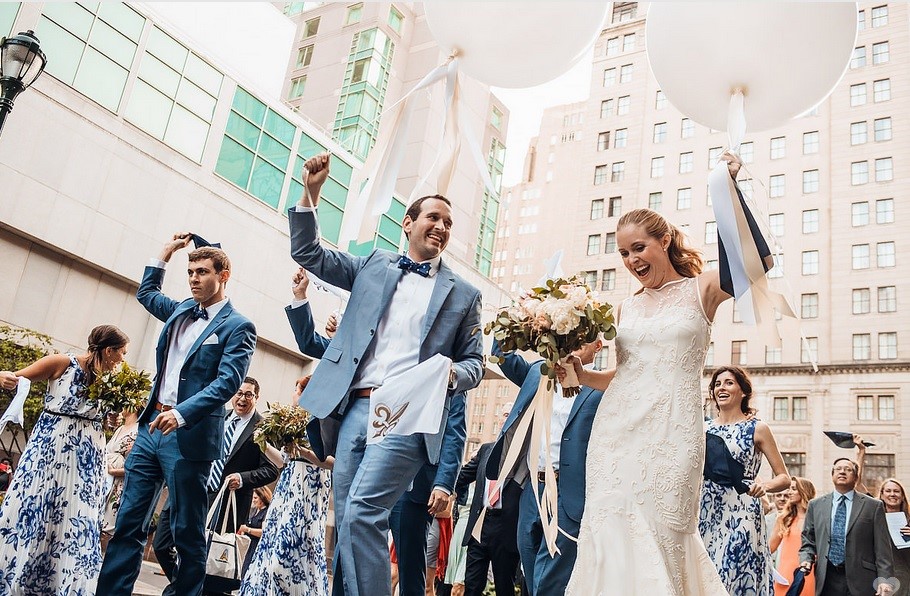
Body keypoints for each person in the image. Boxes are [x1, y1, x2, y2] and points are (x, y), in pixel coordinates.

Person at [290, 152, 483, 596]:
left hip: (406, 415)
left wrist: (448, 376)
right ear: (409, 223)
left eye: (449, 223)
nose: (442, 227)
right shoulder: (372, 264)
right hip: (353, 408)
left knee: (362, 511)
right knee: (348, 522)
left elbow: (475, 363)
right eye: (434, 217)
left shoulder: (465, 294)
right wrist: (312, 193)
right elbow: (308, 252)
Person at [562, 153, 745, 595]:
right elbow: (623, 375)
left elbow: (755, 264)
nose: (630, 260)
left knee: (663, 529)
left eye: (638, 248)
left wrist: (730, 194)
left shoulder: (703, 289)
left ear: (663, 240)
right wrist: (580, 372)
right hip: (616, 434)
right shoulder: (624, 307)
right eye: (624, 253)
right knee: (610, 526)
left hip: (673, 434)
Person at [98, 235, 257, 596]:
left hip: (189, 438)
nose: (194, 279)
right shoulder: (182, 310)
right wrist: (165, 254)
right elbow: (146, 294)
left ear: (224, 275)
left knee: (186, 531)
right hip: (150, 429)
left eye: (202, 272)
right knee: (129, 522)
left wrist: (182, 414)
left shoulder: (238, 327)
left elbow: (228, 382)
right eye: (190, 272)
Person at [0, 324, 129, 593]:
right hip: (53, 448)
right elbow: (16, 378)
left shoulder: (109, 381)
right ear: (108, 351)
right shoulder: (61, 362)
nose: (122, 360)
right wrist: (5, 376)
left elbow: (101, 418)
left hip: (88, 455)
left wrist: (111, 418)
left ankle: (63, 585)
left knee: (74, 514)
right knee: (40, 505)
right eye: (122, 354)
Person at [488, 337, 605, 595]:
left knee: (551, 575)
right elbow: (501, 355)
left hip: (570, 493)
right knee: (530, 568)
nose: (576, 341)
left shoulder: (602, 388)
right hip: (531, 490)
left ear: (598, 346)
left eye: (585, 338)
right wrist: (513, 319)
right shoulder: (538, 371)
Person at [154, 376, 279, 594]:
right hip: (196, 491)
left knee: (213, 566)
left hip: (227, 502)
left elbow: (271, 469)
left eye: (248, 394)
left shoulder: (261, 428)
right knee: (163, 544)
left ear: (256, 398)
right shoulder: (220, 418)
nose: (242, 399)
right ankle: (182, 585)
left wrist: (242, 478)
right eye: (239, 393)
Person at [699, 365, 790, 594]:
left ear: (743, 391)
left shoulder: (757, 429)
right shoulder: (703, 428)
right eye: (717, 384)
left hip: (742, 511)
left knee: (730, 573)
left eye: (729, 382)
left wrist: (764, 486)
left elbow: (784, 478)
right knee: (705, 576)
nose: (722, 387)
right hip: (706, 511)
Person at [239, 377, 334, 596]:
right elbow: (283, 460)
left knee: (292, 550)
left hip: (309, 491)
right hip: (287, 490)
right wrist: (262, 443)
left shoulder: (324, 421)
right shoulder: (293, 423)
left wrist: (303, 451)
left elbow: (333, 462)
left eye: (296, 391)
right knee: (273, 548)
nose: (293, 395)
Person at [798, 458, 894, 596]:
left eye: (848, 469)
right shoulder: (816, 505)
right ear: (832, 475)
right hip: (827, 577)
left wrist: (884, 580)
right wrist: (806, 559)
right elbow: (808, 539)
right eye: (838, 469)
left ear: (856, 477)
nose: (842, 472)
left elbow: (883, 548)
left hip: (862, 579)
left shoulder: (873, 506)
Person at [454, 441, 522, 596]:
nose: (506, 418)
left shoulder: (523, 452)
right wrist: (441, 483)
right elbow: (464, 475)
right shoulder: (486, 449)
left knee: (504, 586)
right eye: (504, 415)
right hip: (480, 524)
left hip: (506, 529)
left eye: (509, 415)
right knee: (472, 584)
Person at [770, 477, 817, 596]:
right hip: (785, 574)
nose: (789, 492)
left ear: (804, 491)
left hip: (809, 571)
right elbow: (770, 548)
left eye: (794, 489)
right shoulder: (783, 518)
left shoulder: (817, 519)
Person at [102, 408, 140, 547]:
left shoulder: (139, 430)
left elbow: (136, 465)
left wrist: (113, 471)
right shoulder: (120, 428)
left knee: (107, 531)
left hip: (118, 484)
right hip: (105, 480)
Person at [879, 479, 910, 596]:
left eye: (896, 491)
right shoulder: (874, 519)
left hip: (905, 573)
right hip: (881, 576)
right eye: (888, 491)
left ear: (902, 496)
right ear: (882, 495)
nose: (892, 494)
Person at [237, 485, 272, 576]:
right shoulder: (254, 511)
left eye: (256, 498)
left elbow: (265, 532)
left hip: (257, 547)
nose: (253, 500)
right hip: (249, 547)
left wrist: (248, 529)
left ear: (263, 497)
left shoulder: (266, 512)